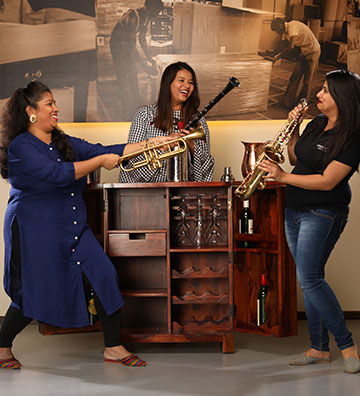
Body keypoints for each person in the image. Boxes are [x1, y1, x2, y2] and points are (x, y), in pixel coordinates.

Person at [0, 81, 176, 370]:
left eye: (54, 102)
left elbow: (107, 149)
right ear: (31, 111)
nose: (56, 108)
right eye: (49, 103)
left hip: (71, 226)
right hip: (35, 230)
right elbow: (57, 174)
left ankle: (113, 347)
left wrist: (153, 144)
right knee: (32, 290)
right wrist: (98, 162)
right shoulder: (20, 147)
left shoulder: (61, 141)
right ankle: (2, 347)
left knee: (104, 274)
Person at [258, 70, 360, 374]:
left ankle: (348, 347)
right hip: (295, 210)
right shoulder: (317, 123)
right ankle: (318, 348)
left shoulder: (353, 135)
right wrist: (294, 129)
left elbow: (329, 181)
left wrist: (282, 177)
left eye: (326, 91)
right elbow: (295, 157)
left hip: (324, 212)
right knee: (311, 278)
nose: (319, 94)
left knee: (310, 279)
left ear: (341, 98)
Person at [118, 61, 215, 183]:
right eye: (181, 80)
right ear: (167, 84)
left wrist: (191, 146)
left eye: (191, 82)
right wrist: (162, 147)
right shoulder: (144, 114)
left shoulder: (198, 120)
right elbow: (131, 159)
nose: (187, 86)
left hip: (184, 193)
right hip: (144, 194)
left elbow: (206, 169)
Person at [110, 0, 164, 120]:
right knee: (123, 72)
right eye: (155, 11)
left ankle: (135, 98)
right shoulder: (133, 16)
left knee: (132, 71)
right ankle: (125, 105)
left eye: (157, 12)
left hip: (127, 43)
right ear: (147, 7)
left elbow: (142, 39)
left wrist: (149, 58)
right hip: (117, 44)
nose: (155, 14)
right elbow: (131, 48)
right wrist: (145, 66)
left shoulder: (147, 17)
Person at [270, 17, 321, 109]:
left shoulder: (292, 26)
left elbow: (291, 47)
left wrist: (277, 57)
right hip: (304, 51)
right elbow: (282, 46)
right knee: (294, 77)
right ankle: (287, 102)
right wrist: (272, 53)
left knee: (307, 81)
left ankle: (301, 105)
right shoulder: (285, 33)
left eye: (277, 30)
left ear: (280, 26)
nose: (277, 33)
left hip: (313, 51)